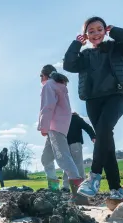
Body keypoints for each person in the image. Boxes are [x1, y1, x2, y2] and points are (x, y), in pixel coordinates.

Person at [63, 16, 123, 201]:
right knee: (106, 142)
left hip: (116, 96)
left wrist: (114, 31)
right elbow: (68, 64)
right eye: (91, 31)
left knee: (105, 129)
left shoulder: (116, 48)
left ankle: (94, 176)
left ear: (105, 30)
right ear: (86, 36)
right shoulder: (84, 57)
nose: (96, 33)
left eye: (99, 29)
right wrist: (76, 44)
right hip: (93, 101)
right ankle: (116, 189)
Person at [38, 64, 88, 205]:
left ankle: (79, 195)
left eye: (40, 76)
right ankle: (54, 189)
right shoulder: (60, 86)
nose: (40, 78)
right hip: (59, 125)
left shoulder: (49, 85)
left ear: (45, 75)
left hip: (54, 126)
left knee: (62, 157)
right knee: (46, 158)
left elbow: (47, 107)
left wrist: (44, 126)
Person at [61, 112, 96, 193]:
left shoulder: (75, 118)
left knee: (75, 165)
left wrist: (93, 136)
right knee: (69, 165)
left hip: (74, 144)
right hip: (66, 144)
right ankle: (66, 187)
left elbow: (87, 127)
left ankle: (79, 186)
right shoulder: (66, 118)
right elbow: (87, 127)